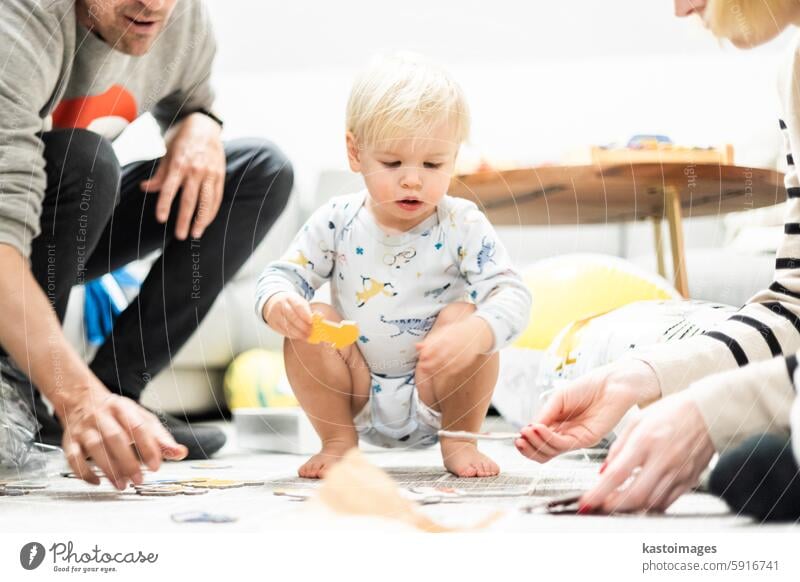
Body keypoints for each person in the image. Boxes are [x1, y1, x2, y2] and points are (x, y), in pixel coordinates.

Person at [515, 0, 800, 519]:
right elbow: (792, 309)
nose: (680, 8)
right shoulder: (794, 76)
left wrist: (712, 414)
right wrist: (642, 376)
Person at [0, 0, 293, 490]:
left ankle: (119, 394)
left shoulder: (178, 18)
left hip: (59, 235)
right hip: (14, 238)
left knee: (260, 172)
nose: (153, 3)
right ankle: (15, 390)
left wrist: (200, 123)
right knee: (86, 162)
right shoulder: (20, 25)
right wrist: (76, 395)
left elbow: (194, 97)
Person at [255, 53, 532, 479]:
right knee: (312, 319)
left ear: (453, 158)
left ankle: (460, 440)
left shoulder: (462, 223)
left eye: (433, 164)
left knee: (468, 316)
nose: (412, 180)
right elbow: (282, 275)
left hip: (437, 391)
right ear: (355, 152)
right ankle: (337, 444)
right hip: (355, 390)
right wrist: (278, 301)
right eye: (392, 163)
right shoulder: (336, 219)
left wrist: (475, 333)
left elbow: (512, 296)